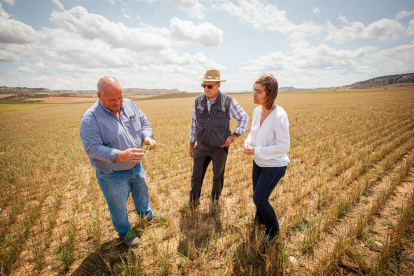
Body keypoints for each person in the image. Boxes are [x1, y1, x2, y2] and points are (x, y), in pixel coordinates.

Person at [80, 76, 156, 248]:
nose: (118, 102)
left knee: (142, 192)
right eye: (112, 99)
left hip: (135, 165)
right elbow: (92, 148)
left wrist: (146, 137)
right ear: (99, 96)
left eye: (120, 97)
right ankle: (124, 232)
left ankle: (146, 214)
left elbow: (144, 123)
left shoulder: (129, 104)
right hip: (111, 174)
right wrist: (120, 155)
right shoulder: (90, 119)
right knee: (118, 205)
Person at [185, 69, 249, 212]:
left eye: (210, 86)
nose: (206, 89)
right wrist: (191, 145)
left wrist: (235, 135)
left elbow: (244, 117)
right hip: (201, 146)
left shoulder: (228, 101)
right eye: (203, 85)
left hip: (220, 147)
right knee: (196, 176)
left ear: (218, 85)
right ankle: (193, 201)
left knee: (217, 176)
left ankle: (215, 201)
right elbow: (193, 124)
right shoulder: (198, 101)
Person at [243, 74, 290, 242]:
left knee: (259, 199)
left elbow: (284, 146)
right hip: (259, 162)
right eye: (254, 91)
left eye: (258, 92)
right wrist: (248, 143)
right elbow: (253, 133)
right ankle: (259, 219)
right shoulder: (257, 111)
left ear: (269, 94)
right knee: (258, 196)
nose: (254, 94)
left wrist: (257, 150)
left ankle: (273, 230)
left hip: (274, 166)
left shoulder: (279, 116)